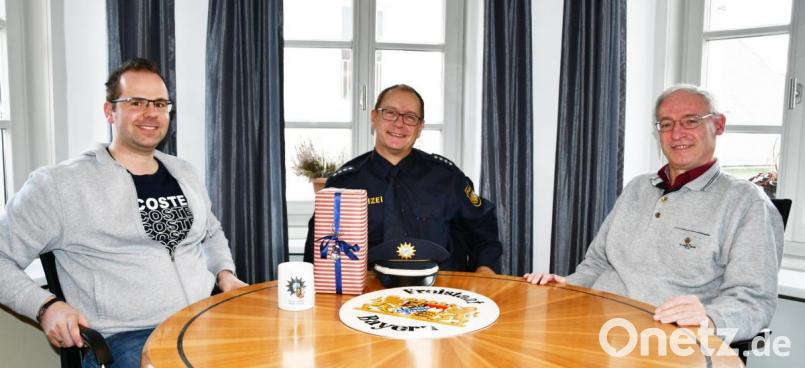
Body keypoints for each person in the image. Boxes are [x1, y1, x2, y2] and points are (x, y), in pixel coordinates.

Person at [0, 58, 247, 368]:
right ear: (110, 111)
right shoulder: (60, 184)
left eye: (159, 103)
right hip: (127, 339)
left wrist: (226, 275)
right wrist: (45, 306)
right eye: (136, 102)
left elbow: (210, 233)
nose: (151, 113)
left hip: (203, 323)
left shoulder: (185, 172)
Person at [524, 84, 784, 341]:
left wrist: (712, 318)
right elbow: (597, 262)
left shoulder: (746, 202)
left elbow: (754, 300)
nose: (676, 133)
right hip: (593, 326)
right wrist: (568, 285)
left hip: (663, 341)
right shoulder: (638, 187)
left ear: (718, 125)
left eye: (690, 121)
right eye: (666, 124)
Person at [303, 84, 502, 274]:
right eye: (390, 113)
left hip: (442, 295)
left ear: (420, 127)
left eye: (410, 117)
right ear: (374, 117)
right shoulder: (344, 184)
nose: (399, 123)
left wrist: (486, 269)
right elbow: (319, 247)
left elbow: (483, 227)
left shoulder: (448, 178)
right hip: (366, 297)